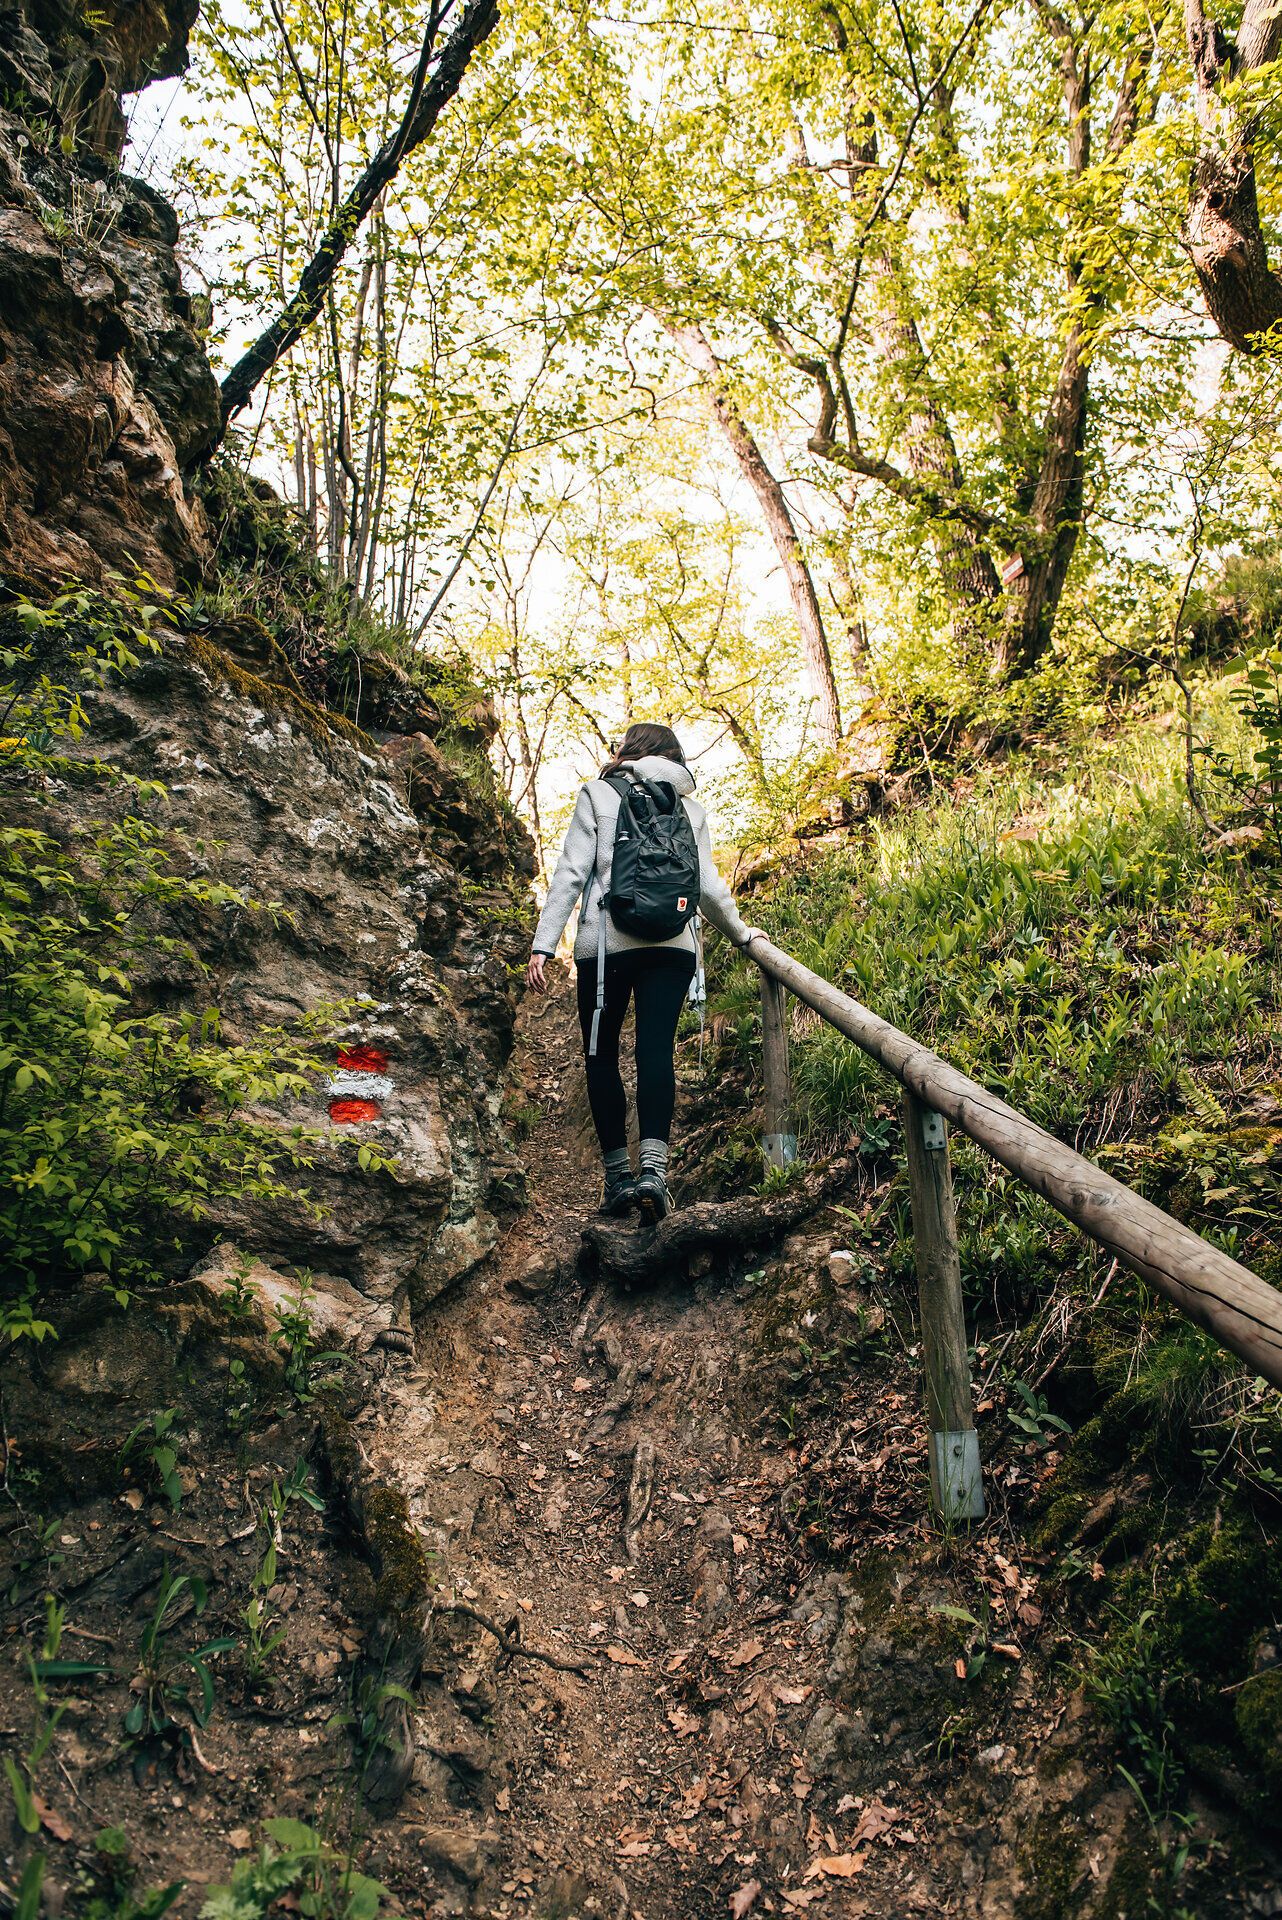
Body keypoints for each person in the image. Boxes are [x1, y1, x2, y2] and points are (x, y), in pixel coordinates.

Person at [527, 722, 762, 1222]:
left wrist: (544, 944)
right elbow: (707, 884)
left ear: (629, 752)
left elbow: (572, 872)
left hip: (607, 947)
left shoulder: (598, 793)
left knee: (601, 1052)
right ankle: (655, 1174)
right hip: (673, 946)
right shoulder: (689, 806)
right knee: (656, 1051)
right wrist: (743, 933)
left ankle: (618, 1180)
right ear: (674, 757)